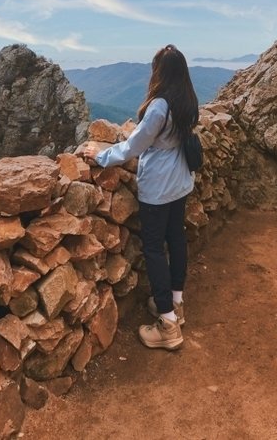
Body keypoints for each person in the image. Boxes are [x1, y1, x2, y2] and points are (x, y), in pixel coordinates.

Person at [76, 44, 198, 351]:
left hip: (158, 187)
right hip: (180, 181)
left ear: (159, 72)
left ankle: (168, 325)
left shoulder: (159, 106)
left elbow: (134, 146)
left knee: (155, 249)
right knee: (176, 240)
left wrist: (101, 155)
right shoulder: (188, 102)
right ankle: (176, 305)